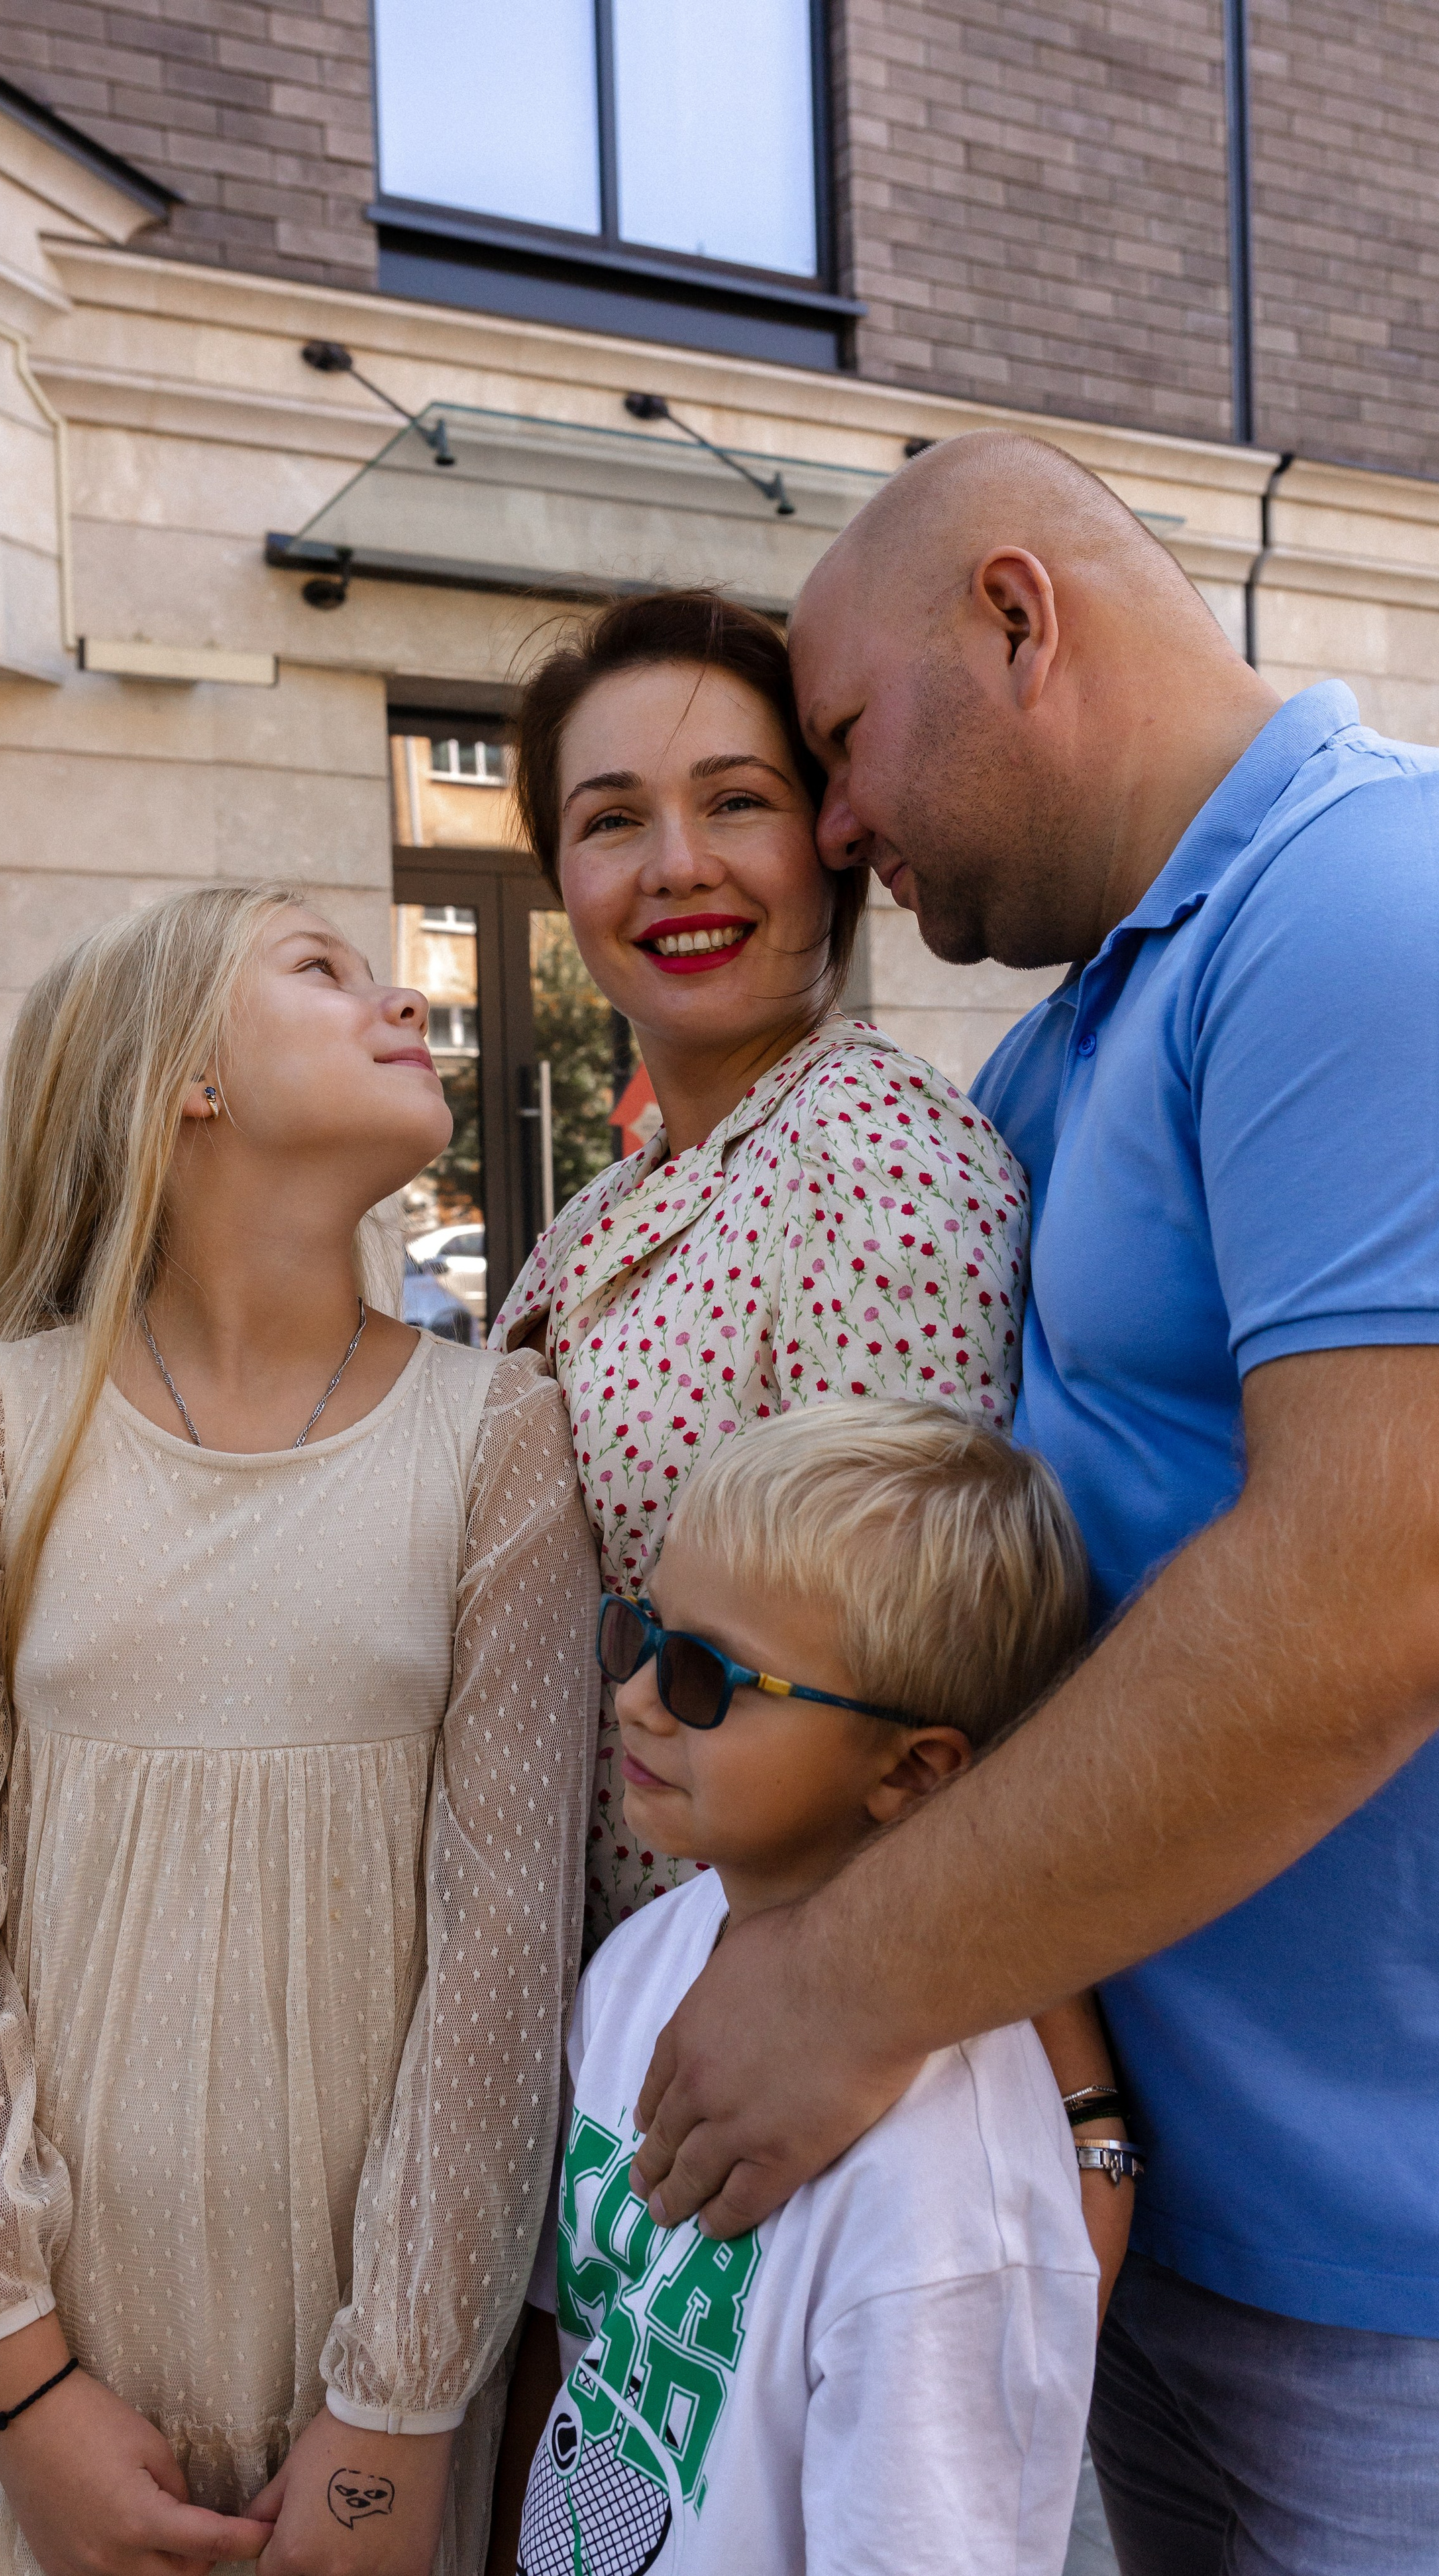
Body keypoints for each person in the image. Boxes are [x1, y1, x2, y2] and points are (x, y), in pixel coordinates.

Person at [621, 432, 1439, 2572]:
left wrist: (847, 1984)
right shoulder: (1060, 1051)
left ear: (1019, 615)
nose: (838, 818)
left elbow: (1400, 1578)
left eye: (843, 740)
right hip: (1186, 2249)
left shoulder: (1411, 893)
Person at [0, 887, 599, 2576]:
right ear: (184, 1080)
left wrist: (402, 2409)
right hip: (40, 2394)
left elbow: (504, 1957)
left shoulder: (496, 1437)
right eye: (318, 965)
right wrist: (16, 2384)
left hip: (359, 2404)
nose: (398, 1003)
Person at [486, 1402, 1124, 2576]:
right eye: (639, 1634)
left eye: (703, 1675)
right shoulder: (644, 1960)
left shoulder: (948, 2184)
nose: (632, 1696)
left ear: (913, 1768)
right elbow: (570, 2339)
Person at [489, 587, 1032, 1948]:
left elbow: (913, 1689)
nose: (675, 864)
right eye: (611, 819)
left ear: (831, 842)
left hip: (775, 2022)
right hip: (620, 2007)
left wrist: (813, 2015)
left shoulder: (865, 1146)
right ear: (560, 880)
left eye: (734, 801)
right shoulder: (608, 1201)